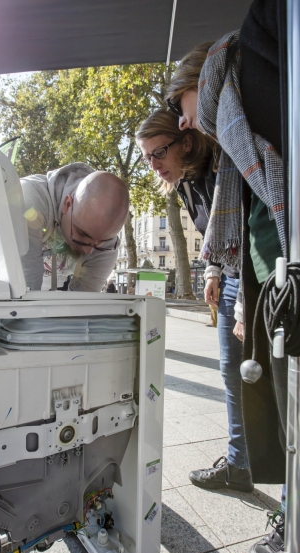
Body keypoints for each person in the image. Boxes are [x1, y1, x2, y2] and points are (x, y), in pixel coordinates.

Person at [166, 0, 287, 553]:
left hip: (276, 271)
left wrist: (250, 290)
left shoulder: (242, 92)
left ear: (200, 80)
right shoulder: (234, 111)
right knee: (267, 389)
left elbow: (272, 196)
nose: (184, 121)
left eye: (181, 111)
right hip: (267, 274)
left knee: (280, 395)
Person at [136, 108, 252, 492]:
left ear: (186, 142)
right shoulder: (185, 182)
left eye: (159, 152)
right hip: (230, 275)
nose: (153, 165)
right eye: (146, 157)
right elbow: (216, 235)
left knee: (268, 385)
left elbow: (250, 232)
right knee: (231, 376)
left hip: (255, 278)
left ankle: (291, 501)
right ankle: (239, 466)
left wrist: (245, 300)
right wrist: (214, 273)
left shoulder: (225, 167)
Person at [20, 163, 129, 293]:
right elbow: (24, 290)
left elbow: (82, 303)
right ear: (67, 204)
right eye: (82, 234)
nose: (88, 251)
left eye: (101, 242)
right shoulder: (28, 201)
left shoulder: (108, 247)